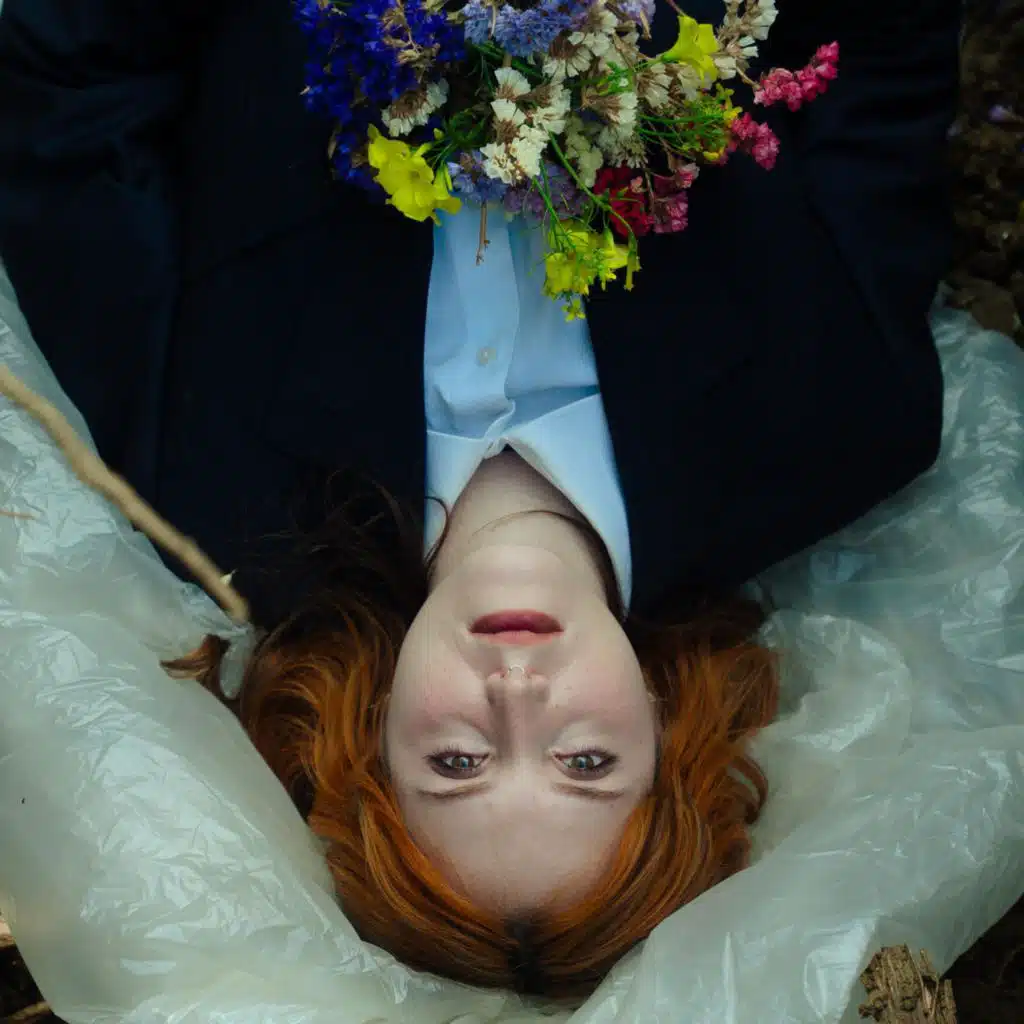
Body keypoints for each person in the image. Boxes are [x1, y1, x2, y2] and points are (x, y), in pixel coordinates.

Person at [0, 0, 960, 1001]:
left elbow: (74, 99)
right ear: (666, 731)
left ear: (374, 738)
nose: (515, 695)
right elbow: (880, 51)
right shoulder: (845, 421)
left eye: (457, 762)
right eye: (586, 761)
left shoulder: (201, 478)